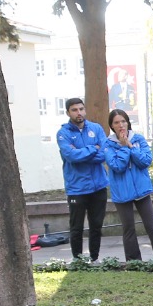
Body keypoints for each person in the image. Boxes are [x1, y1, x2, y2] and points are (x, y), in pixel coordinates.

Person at [102, 108, 153, 262]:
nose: (121, 125)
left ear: (128, 122)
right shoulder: (108, 144)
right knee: (129, 229)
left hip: (142, 190)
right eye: (117, 122)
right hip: (122, 193)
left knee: (152, 228)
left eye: (123, 121)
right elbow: (117, 166)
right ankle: (133, 261)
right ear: (112, 126)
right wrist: (125, 147)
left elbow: (146, 161)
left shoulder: (138, 139)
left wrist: (131, 147)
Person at [56, 98, 109, 262]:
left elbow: (104, 153)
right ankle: (78, 260)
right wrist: (94, 148)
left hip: (98, 186)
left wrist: (83, 153)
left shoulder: (96, 128)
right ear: (68, 113)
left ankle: (95, 258)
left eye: (81, 109)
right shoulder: (63, 133)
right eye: (74, 110)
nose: (79, 113)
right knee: (76, 227)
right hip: (76, 188)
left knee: (96, 226)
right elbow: (71, 157)